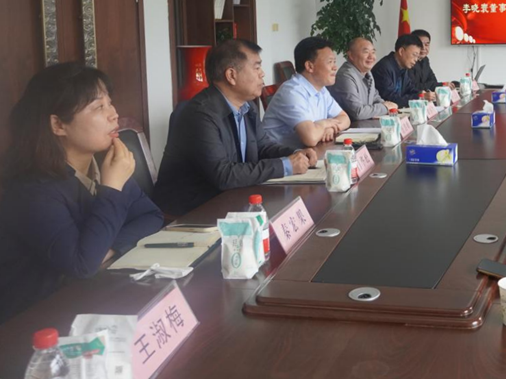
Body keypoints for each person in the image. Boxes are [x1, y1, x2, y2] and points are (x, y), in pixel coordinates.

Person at [0, 63, 164, 323]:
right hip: (34, 320)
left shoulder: (102, 163)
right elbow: (83, 264)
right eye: (98, 107)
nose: (114, 114)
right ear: (58, 124)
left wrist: (107, 248)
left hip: (91, 299)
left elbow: (151, 217)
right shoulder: (32, 188)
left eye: (110, 103)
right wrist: (112, 188)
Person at [154, 40, 317, 216]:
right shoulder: (200, 114)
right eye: (256, 67)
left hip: (232, 199)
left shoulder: (247, 107)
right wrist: (285, 165)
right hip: (191, 211)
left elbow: (263, 148)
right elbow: (223, 175)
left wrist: (297, 154)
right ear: (231, 75)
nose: (262, 74)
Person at [263, 36, 351, 148]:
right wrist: (325, 123)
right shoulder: (292, 92)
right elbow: (311, 138)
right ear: (310, 66)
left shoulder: (321, 89)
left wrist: (330, 128)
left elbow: (345, 118)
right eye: (330, 62)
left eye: (334, 62)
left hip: (306, 153)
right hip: (280, 157)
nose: (335, 67)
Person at [329, 37, 398, 120]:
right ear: (351, 55)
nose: (371, 56)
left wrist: (387, 105)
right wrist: (385, 107)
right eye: (366, 52)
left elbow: (375, 97)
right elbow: (358, 112)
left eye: (373, 52)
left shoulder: (367, 72)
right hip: (350, 126)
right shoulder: (345, 76)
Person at [372, 34, 428, 107]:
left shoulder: (403, 67)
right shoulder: (383, 68)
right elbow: (391, 99)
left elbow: (410, 89)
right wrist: (419, 97)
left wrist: (421, 93)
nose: (416, 60)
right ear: (401, 51)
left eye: (417, 56)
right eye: (414, 55)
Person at [408, 29, 441, 95]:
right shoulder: (408, 61)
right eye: (420, 44)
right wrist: (440, 84)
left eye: (427, 44)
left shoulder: (425, 60)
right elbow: (413, 86)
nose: (423, 48)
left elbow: (433, 81)